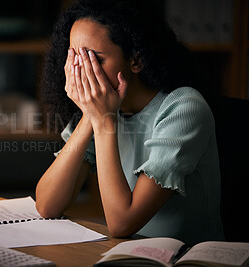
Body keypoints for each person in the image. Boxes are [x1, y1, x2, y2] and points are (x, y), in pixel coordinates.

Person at [35, 0, 224, 245]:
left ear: (136, 60)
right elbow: (47, 205)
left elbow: (122, 223)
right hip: (129, 253)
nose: (83, 71)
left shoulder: (184, 108)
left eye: (95, 59)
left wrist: (103, 120)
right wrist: (89, 117)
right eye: (75, 58)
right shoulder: (101, 109)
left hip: (186, 258)